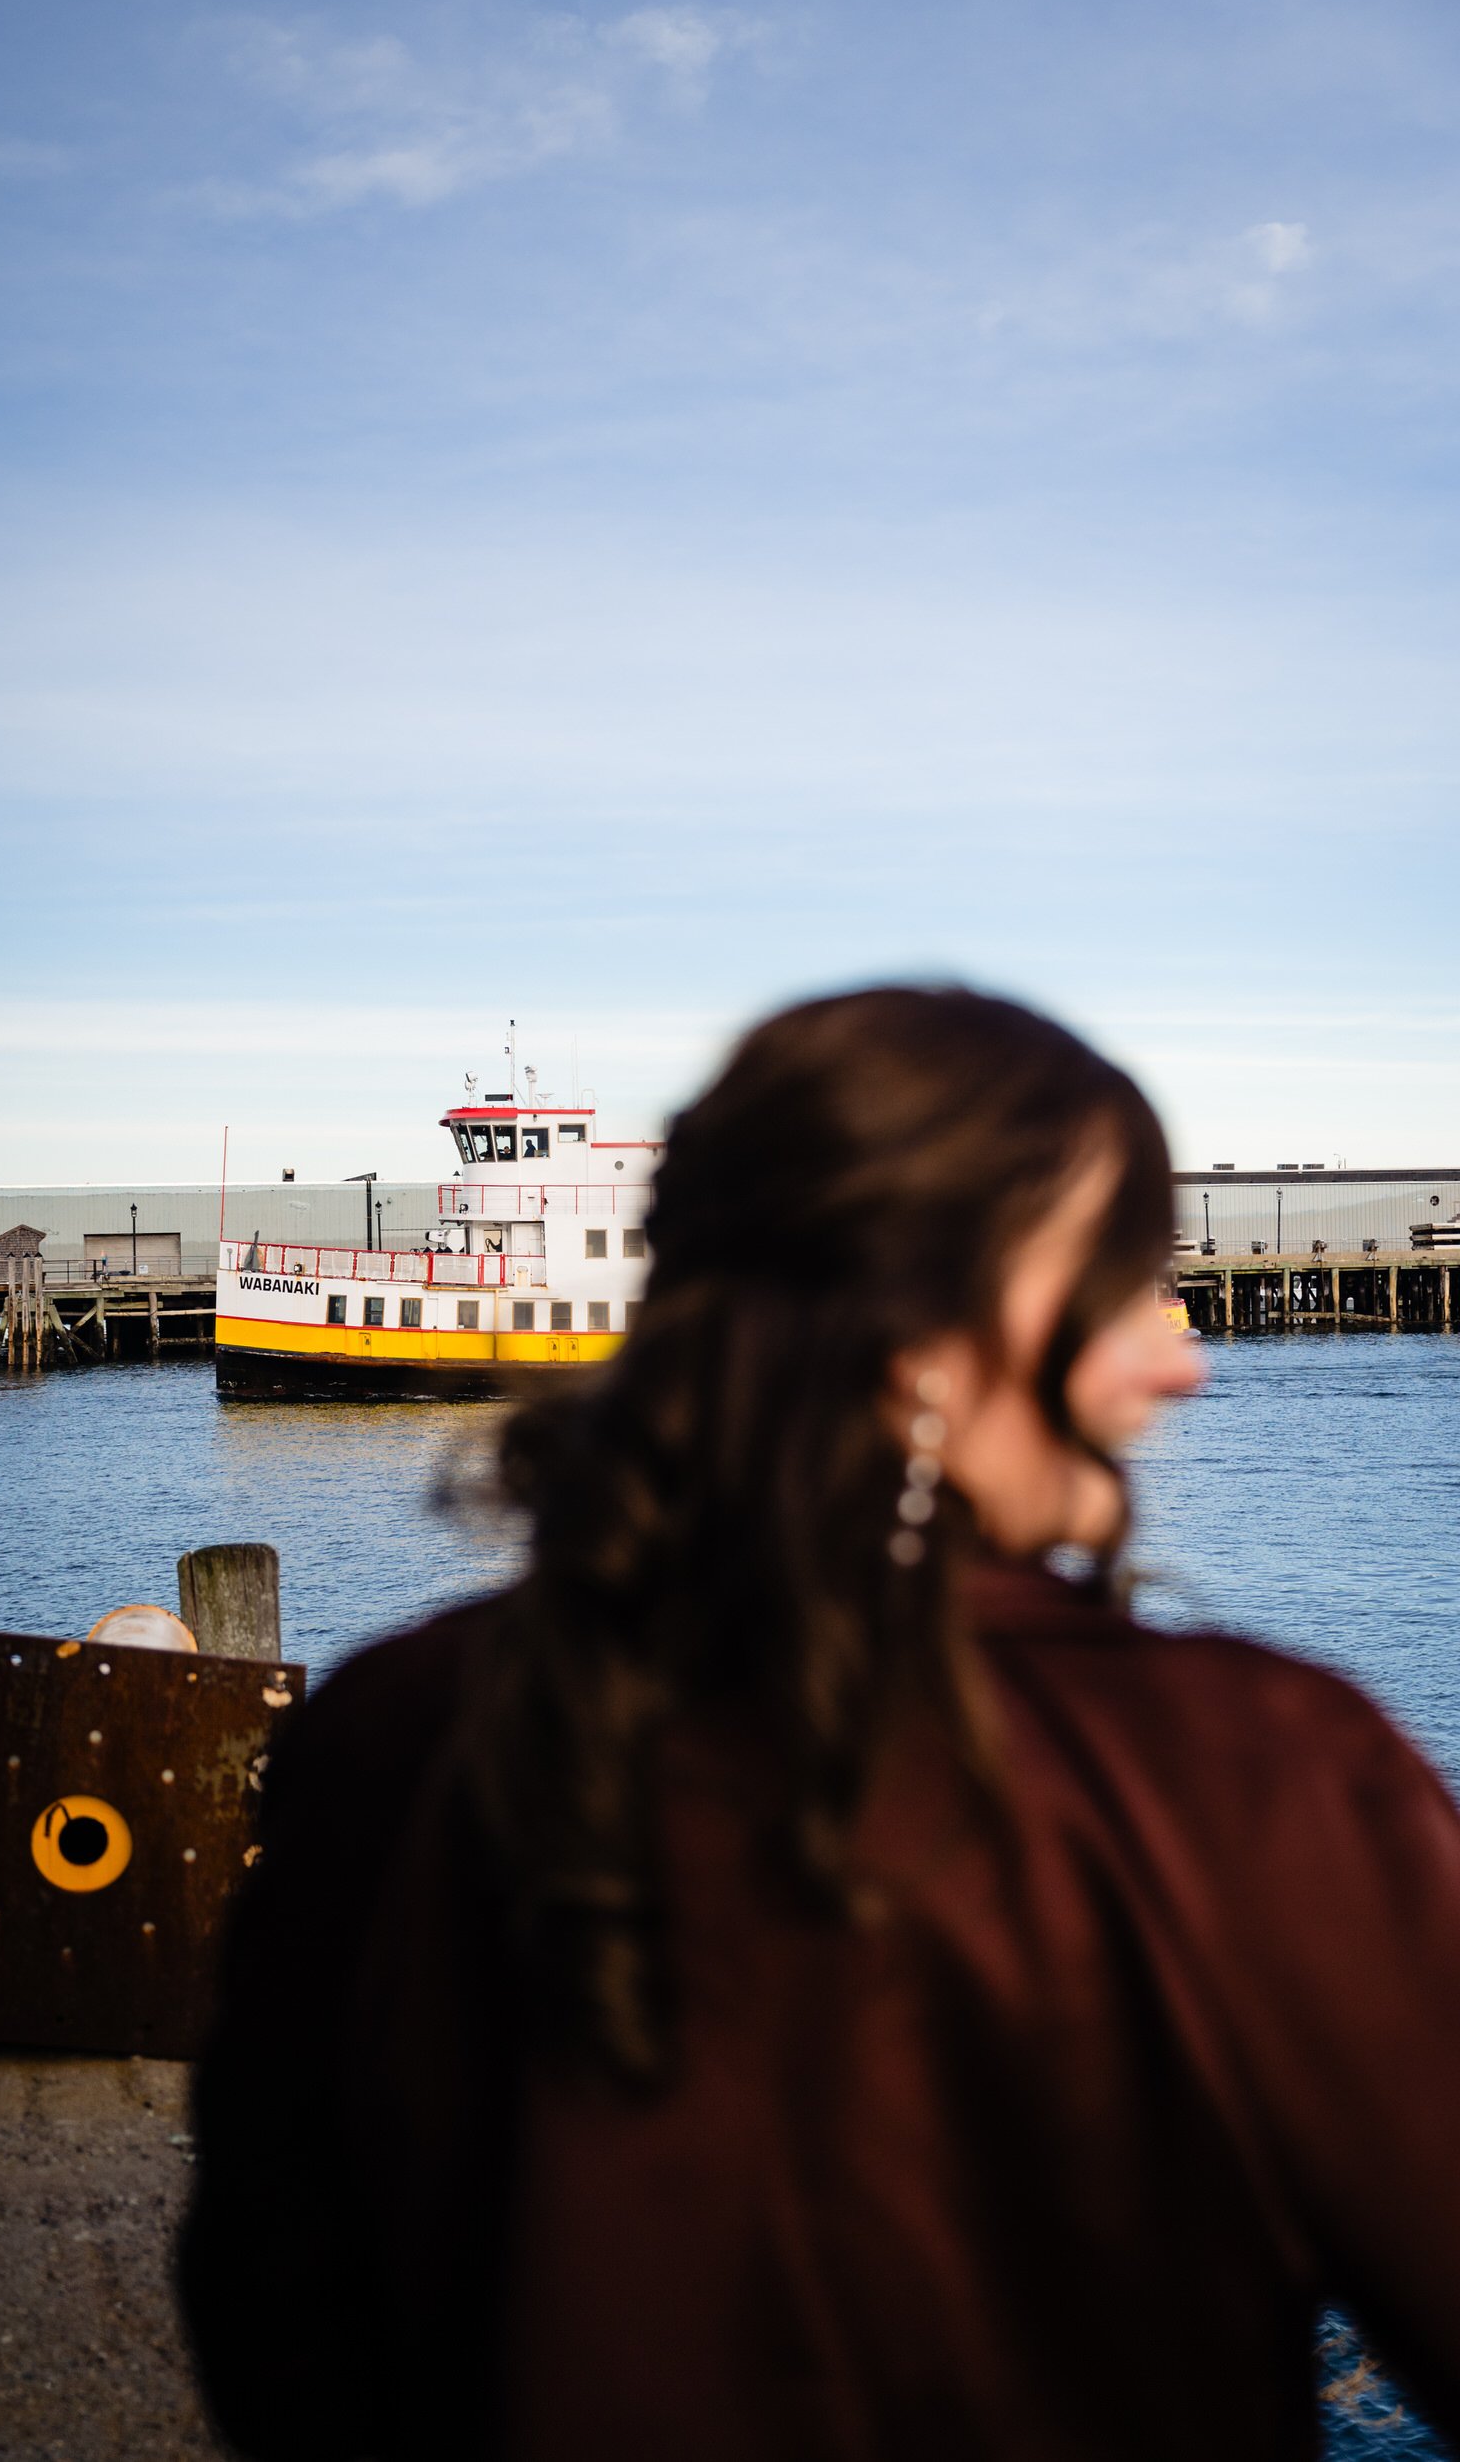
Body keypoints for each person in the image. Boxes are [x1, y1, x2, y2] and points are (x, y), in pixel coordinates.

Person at [180, 986, 1460, 2460]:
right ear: (936, 1332)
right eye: (1118, 1293)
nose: (1182, 1360)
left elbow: (271, 2316)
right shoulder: (1262, 1771)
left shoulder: (387, 1730)